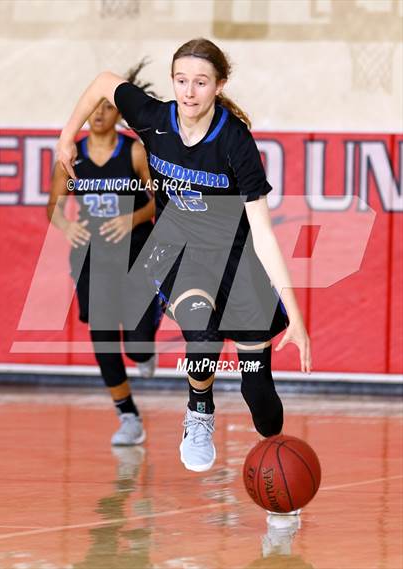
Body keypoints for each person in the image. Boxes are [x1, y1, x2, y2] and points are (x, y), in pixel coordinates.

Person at [56, 39, 312, 482]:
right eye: (181, 81)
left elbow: (265, 233)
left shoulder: (235, 141)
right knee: (201, 323)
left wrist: (296, 314)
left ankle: (279, 474)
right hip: (175, 249)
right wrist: (65, 137)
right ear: (172, 82)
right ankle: (199, 411)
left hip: (236, 259)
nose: (189, 92)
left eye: (200, 82)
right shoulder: (155, 118)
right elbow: (103, 83)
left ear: (218, 85)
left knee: (259, 389)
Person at [48, 64, 160, 446]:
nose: (97, 114)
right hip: (93, 256)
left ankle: (146, 348)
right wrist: (66, 226)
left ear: (118, 113)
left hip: (136, 252)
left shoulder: (133, 151)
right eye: (93, 107)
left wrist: (132, 219)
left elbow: (160, 203)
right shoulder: (70, 154)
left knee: (137, 340)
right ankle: (128, 416)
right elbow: (53, 207)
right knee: (102, 336)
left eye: (106, 107)